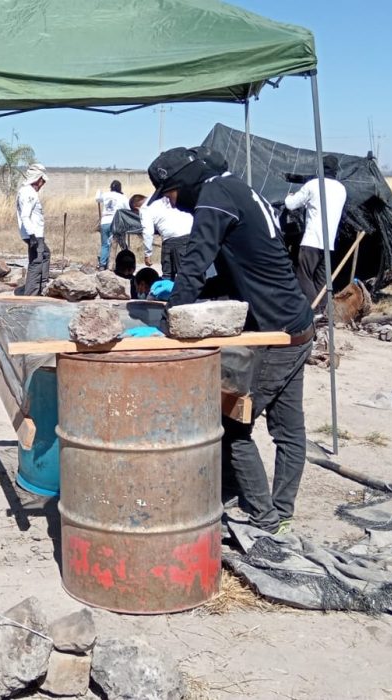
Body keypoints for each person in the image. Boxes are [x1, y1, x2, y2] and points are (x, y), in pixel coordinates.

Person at [147, 146, 314, 535]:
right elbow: (240, 265)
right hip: (297, 322)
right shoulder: (236, 189)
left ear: (184, 182)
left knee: (232, 427)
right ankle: (280, 510)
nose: (172, 204)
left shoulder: (214, 198)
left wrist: (173, 316)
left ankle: (264, 520)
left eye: (170, 194)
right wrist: (205, 293)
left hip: (277, 334)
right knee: (288, 430)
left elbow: (194, 259)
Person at [285, 155, 347, 312]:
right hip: (329, 244)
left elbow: (291, 205)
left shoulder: (313, 185)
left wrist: (289, 196)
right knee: (322, 280)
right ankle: (325, 311)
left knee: (304, 276)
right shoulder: (341, 189)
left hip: (311, 240)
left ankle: (314, 311)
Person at [140, 192, 194, 279]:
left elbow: (147, 231)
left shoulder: (145, 208)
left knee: (169, 276)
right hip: (192, 236)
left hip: (172, 240)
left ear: (136, 207)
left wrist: (148, 253)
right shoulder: (169, 194)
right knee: (191, 274)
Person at [16, 164, 49, 295]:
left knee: (46, 254)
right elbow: (25, 215)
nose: (43, 184)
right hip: (33, 234)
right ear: (38, 179)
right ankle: (31, 295)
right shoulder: (28, 193)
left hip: (34, 234)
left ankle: (43, 287)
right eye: (43, 181)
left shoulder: (27, 192)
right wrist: (32, 236)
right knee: (36, 263)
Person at [95, 180, 128, 270]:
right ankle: (124, 262)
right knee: (119, 244)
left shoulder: (106, 195)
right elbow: (128, 209)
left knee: (105, 244)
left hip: (104, 222)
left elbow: (97, 198)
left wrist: (99, 190)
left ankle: (102, 264)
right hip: (116, 222)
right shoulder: (122, 197)